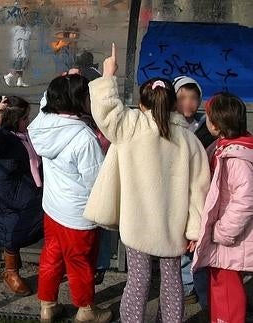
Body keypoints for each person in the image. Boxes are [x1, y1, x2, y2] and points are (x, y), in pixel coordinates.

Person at [84, 44, 210, 322]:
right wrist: (194, 229)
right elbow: (198, 190)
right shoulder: (189, 140)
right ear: (174, 103)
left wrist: (109, 75)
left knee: (138, 281)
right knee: (172, 281)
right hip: (174, 228)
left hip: (137, 224)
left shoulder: (130, 126)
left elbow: (107, 113)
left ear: (143, 104)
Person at [28, 74, 110, 323]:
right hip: (77, 216)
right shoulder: (84, 138)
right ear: (79, 101)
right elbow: (97, 183)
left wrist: (58, 81)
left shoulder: (44, 122)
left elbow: (45, 102)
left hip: (52, 208)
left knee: (51, 255)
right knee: (80, 263)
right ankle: (85, 309)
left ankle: (48, 305)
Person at [193, 93, 253, 323]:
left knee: (227, 291)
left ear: (216, 124)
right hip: (222, 236)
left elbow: (245, 200)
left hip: (229, 238)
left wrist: (222, 232)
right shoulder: (223, 147)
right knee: (219, 284)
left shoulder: (236, 158)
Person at [0, 96, 43, 297]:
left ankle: (47, 267)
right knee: (12, 230)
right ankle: (11, 273)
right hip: (7, 198)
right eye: (25, 118)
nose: (28, 121)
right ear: (13, 120)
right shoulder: (4, 139)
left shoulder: (23, 135)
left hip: (24, 193)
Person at [172, 75, 210, 309]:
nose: (188, 102)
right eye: (182, 97)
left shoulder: (206, 126)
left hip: (197, 194)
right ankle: (185, 286)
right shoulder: (169, 125)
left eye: (193, 97)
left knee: (193, 239)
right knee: (180, 241)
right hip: (176, 195)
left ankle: (190, 286)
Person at [3, 18, 32, 88]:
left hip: (19, 52)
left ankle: (20, 81)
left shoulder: (16, 29)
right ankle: (8, 76)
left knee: (21, 68)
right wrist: (29, 30)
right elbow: (27, 37)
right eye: (25, 21)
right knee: (18, 68)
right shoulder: (20, 30)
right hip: (19, 53)